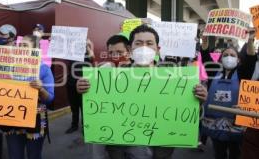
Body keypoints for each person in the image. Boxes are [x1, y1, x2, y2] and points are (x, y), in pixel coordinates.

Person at [77, 24, 208, 159]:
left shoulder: (174, 79)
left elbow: (186, 114)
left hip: (160, 150)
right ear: (130, 49)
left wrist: (199, 101)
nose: (144, 47)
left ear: (157, 49)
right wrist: (85, 88)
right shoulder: (111, 76)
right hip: (122, 148)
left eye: (149, 43)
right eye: (138, 43)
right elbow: (99, 108)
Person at [201, 29, 256, 159]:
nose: (229, 57)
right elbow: (205, 56)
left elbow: (251, 59)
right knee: (219, 153)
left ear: (238, 60)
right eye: (225, 55)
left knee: (235, 154)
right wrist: (204, 40)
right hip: (214, 124)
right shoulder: (214, 71)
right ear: (220, 59)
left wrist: (250, 40)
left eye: (232, 55)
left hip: (236, 125)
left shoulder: (243, 73)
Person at [4, 35, 54, 159]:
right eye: (19, 46)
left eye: (25, 46)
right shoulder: (9, 67)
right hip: (13, 119)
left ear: (35, 50)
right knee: (14, 155)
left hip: (35, 120)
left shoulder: (44, 69)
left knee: (34, 155)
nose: (21, 49)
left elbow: (50, 99)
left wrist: (41, 89)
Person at [0, 24, 17, 159]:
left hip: (13, 100)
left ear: (12, 37)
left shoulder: (22, 53)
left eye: (3, 34)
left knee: (13, 137)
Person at [65, 39, 95, 134]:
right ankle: (74, 125)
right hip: (71, 83)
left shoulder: (88, 53)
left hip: (84, 83)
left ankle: (84, 127)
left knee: (84, 106)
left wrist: (87, 45)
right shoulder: (72, 52)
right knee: (74, 106)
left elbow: (92, 57)